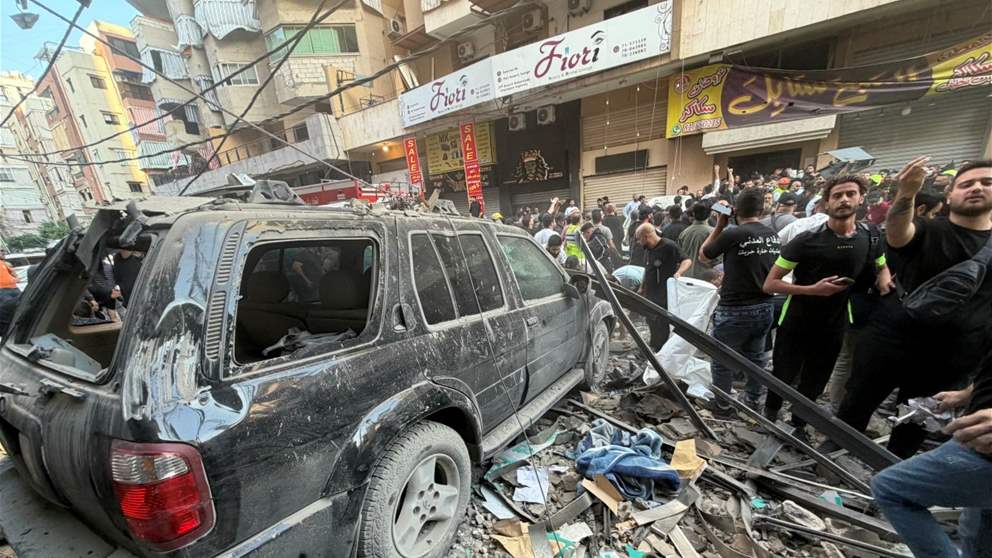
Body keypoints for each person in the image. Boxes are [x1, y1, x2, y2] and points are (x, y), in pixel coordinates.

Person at [831, 159, 992, 458]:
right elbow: (897, 233)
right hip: (891, 338)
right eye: (967, 184)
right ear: (950, 196)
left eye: (986, 182)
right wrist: (906, 193)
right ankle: (833, 452)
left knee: (916, 421)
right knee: (858, 400)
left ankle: (893, 468)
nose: (977, 188)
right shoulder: (928, 230)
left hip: (953, 355)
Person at [761, 175, 890, 435]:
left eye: (850, 194)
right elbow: (770, 284)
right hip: (797, 318)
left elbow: (881, 263)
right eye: (837, 195)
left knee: (817, 378)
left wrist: (884, 278)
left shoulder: (871, 235)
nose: (844, 200)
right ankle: (769, 417)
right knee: (783, 373)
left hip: (836, 320)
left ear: (861, 198)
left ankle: (799, 424)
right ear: (826, 202)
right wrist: (812, 290)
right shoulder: (806, 240)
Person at [871, 356, 992, 558]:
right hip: (979, 438)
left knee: (891, 490)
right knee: (979, 532)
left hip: (982, 451)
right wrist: (965, 395)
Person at [699, 191, 781, 414]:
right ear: (761, 211)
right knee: (755, 359)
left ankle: (723, 404)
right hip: (765, 306)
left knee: (721, 360)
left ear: (735, 211)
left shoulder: (734, 234)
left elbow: (704, 256)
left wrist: (719, 225)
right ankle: (752, 402)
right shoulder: (773, 235)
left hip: (735, 308)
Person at [635, 222, 690, 352]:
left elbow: (686, 260)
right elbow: (648, 269)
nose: (638, 242)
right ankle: (654, 346)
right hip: (650, 293)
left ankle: (662, 349)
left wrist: (679, 272)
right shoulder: (648, 249)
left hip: (664, 293)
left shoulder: (669, 246)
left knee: (661, 321)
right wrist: (642, 287)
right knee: (651, 319)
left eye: (639, 238)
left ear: (646, 236)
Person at [678, 202, 715, 280]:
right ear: (710, 214)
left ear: (693, 214)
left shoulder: (684, 233)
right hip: (705, 279)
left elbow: (679, 257)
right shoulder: (713, 233)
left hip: (685, 277)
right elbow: (717, 260)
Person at [0, 251, 21, 334]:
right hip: (2, 290)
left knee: (22, 305)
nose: (2, 253)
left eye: (2, 251)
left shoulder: (3, 263)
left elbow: (12, 272)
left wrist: (16, 278)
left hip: (14, 288)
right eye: (0, 252)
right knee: (9, 312)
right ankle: (11, 331)